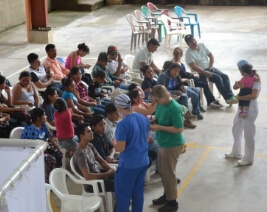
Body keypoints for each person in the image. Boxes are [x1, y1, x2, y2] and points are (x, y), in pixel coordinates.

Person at [111, 94, 150, 212]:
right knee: (138, 193)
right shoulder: (143, 118)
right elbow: (147, 139)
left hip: (129, 165)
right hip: (143, 161)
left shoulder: (123, 124)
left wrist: (113, 142)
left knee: (123, 196)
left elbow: (120, 148)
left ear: (118, 108)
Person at [150, 85, 184, 212]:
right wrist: (150, 120)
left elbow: (179, 128)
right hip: (163, 142)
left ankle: (172, 203)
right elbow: (157, 117)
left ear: (165, 97)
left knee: (169, 173)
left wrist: (159, 127)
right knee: (163, 172)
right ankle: (167, 195)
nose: (155, 102)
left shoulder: (174, 108)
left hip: (172, 144)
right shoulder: (160, 104)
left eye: (157, 100)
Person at [184, 34, 238, 105]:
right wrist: (205, 72)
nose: (194, 42)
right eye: (191, 42)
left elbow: (211, 56)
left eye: (194, 40)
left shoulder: (201, 45)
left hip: (210, 68)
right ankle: (227, 98)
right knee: (218, 78)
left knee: (225, 76)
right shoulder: (188, 53)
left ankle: (230, 95)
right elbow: (194, 67)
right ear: (188, 44)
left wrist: (210, 66)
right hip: (200, 72)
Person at [225, 60, 261, 166]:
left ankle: (249, 158)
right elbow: (237, 87)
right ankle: (236, 152)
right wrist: (236, 86)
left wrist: (239, 97)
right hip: (241, 109)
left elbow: (253, 96)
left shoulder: (256, 79)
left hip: (250, 109)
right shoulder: (244, 78)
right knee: (236, 128)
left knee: (248, 133)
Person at [20, 108, 62, 182]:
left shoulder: (42, 125)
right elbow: (33, 147)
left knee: (59, 153)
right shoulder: (31, 129)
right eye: (44, 115)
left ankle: (55, 176)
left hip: (42, 149)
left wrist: (55, 144)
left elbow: (48, 136)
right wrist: (46, 149)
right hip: (31, 153)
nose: (46, 116)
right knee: (51, 159)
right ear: (38, 118)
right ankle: (49, 181)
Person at [73, 122, 115, 193]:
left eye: (91, 131)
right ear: (81, 136)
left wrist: (111, 169)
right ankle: (120, 203)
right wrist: (108, 174)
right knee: (120, 184)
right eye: (88, 131)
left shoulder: (90, 146)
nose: (92, 133)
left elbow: (101, 161)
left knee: (120, 176)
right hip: (92, 184)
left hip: (98, 174)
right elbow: (88, 176)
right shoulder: (81, 154)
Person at [157, 63, 202, 128]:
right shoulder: (163, 76)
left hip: (174, 92)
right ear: (170, 69)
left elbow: (178, 85)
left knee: (189, 93)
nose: (176, 72)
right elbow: (162, 90)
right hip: (165, 94)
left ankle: (191, 114)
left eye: (178, 71)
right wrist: (175, 92)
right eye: (175, 70)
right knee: (184, 96)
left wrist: (181, 88)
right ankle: (186, 117)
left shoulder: (176, 75)